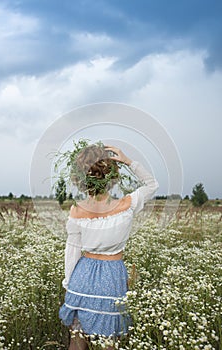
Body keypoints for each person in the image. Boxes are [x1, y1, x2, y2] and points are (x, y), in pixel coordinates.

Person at [59, 143, 159, 350]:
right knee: (109, 343)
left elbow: (72, 252)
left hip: (82, 277)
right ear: (112, 176)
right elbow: (152, 184)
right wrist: (128, 161)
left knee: (77, 341)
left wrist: (69, 285)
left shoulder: (76, 210)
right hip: (112, 277)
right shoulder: (127, 204)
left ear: (81, 178)